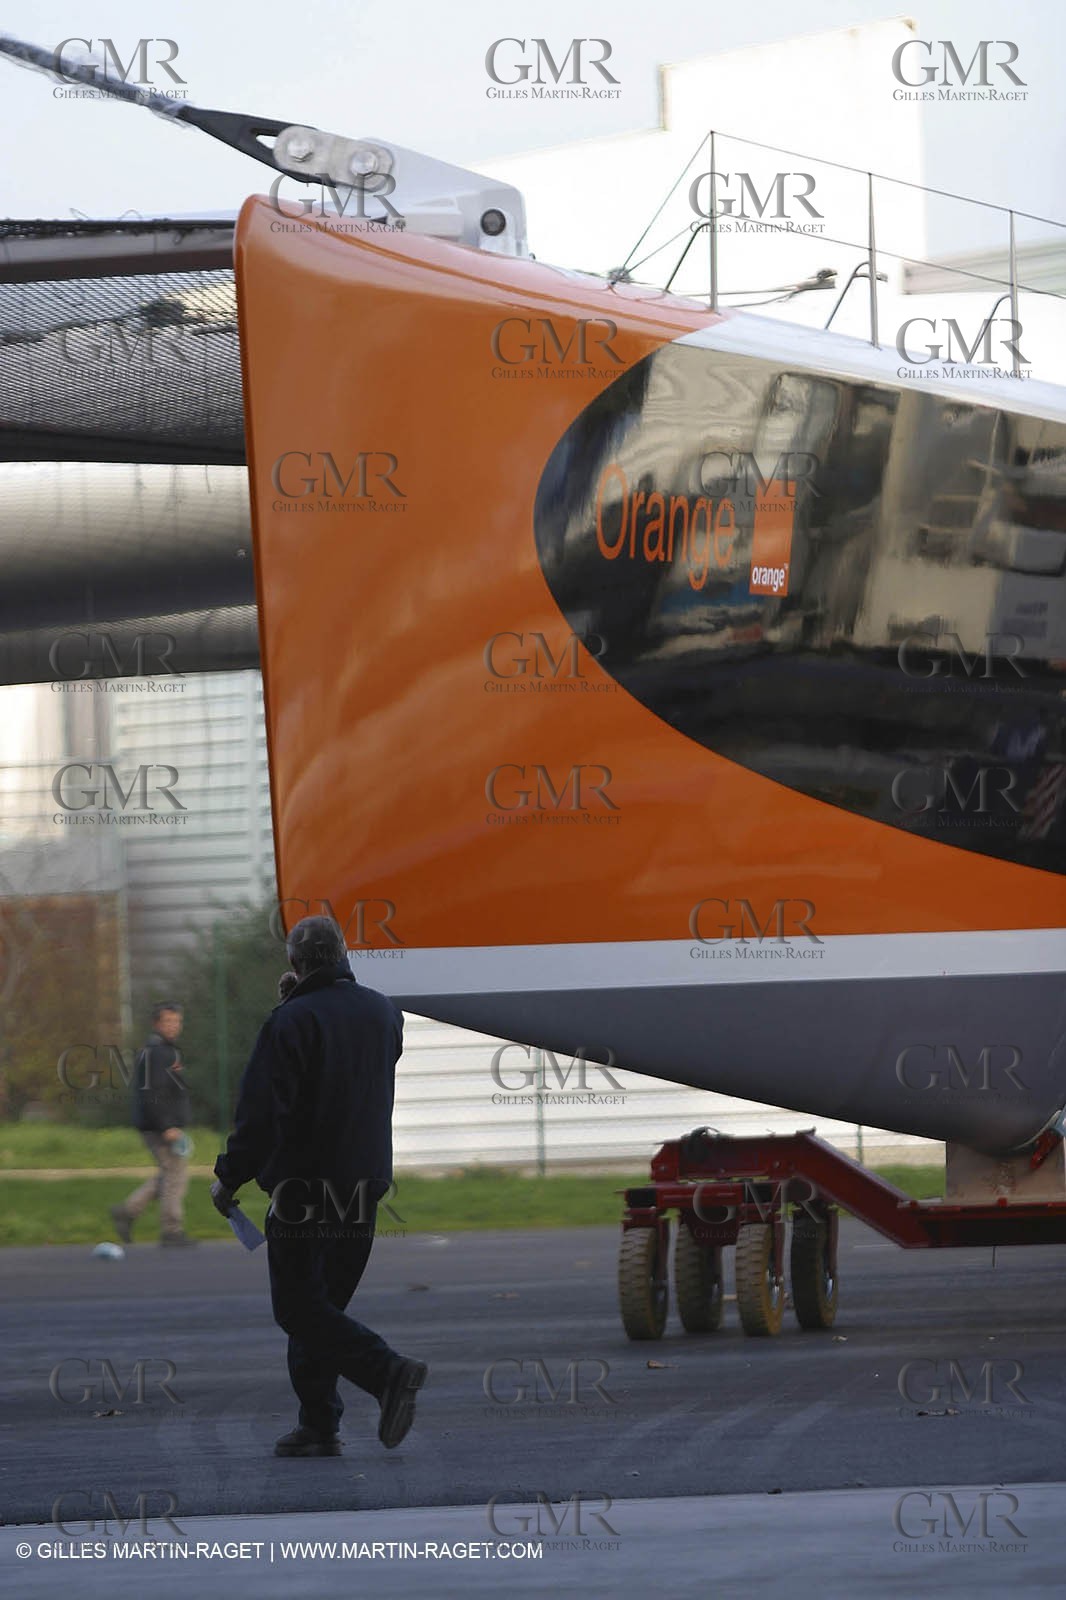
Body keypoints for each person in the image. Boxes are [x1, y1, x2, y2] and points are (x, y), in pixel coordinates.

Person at [210, 915, 425, 1457]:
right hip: (366, 1182)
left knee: (300, 1308)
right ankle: (319, 1422)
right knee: (323, 1306)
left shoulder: (290, 1021)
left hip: (304, 1187)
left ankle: (388, 1372)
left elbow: (262, 1114)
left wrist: (228, 1177)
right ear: (343, 954)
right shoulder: (384, 1012)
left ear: (293, 963)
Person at [111, 1003, 195, 1247]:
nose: (173, 1026)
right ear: (156, 1024)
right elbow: (154, 1092)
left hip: (156, 1124)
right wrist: (167, 1125)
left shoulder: (162, 1050)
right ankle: (171, 1230)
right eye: (168, 1021)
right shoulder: (159, 1053)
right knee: (176, 1175)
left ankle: (126, 1212)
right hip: (160, 1126)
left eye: (177, 1021)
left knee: (170, 1174)